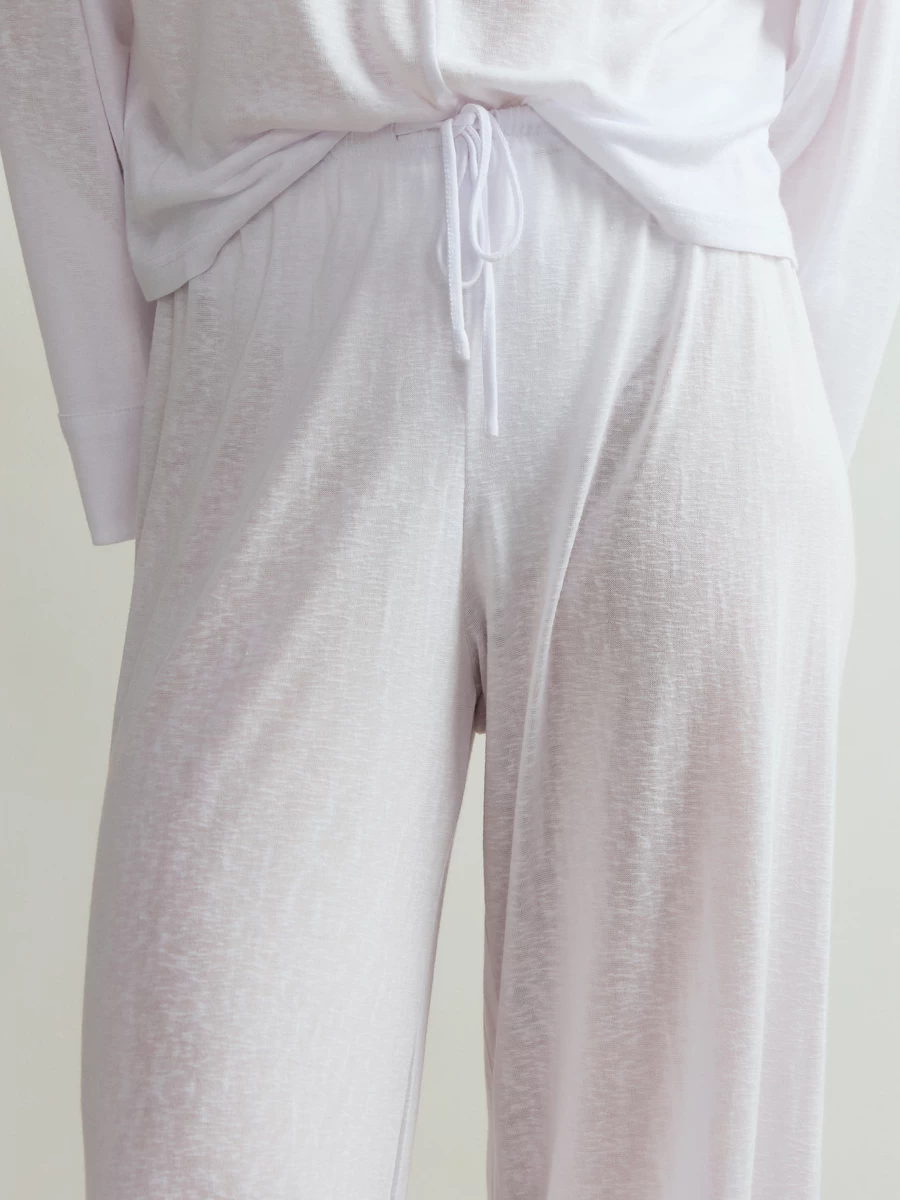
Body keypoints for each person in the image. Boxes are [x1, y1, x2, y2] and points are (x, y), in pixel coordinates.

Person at [1, 2, 898, 1198]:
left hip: (678, 294)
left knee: (672, 1155)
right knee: (207, 1125)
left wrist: (787, 357)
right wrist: (118, 406)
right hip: (277, 285)